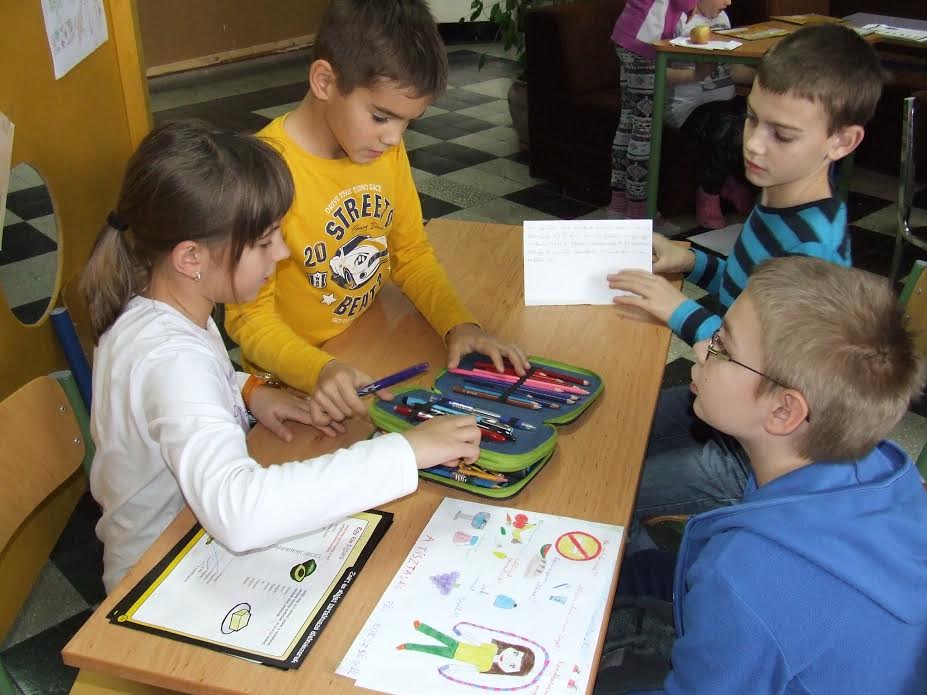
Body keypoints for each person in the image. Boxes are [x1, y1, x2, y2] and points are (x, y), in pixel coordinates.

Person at [80, 120, 481, 594]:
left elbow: (168, 397)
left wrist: (248, 390)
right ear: (191, 258)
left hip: (184, 541)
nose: (284, 252)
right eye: (265, 241)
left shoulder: (153, 302)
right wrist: (407, 452)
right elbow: (240, 514)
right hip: (159, 580)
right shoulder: (172, 359)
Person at [595, 256, 927, 694]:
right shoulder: (880, 466)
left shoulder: (744, 579)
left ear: (784, 410)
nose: (700, 348)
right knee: (634, 573)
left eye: (722, 346)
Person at [606, 24, 884, 545]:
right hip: (728, 404)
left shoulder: (812, 251)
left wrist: (676, 310)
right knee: (617, 431)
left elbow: (761, 367)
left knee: (614, 489)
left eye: (782, 134)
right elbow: (749, 294)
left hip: (756, 452)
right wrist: (693, 262)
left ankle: (649, 586)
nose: (753, 143)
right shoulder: (780, 193)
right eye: (753, 117)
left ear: (842, 141)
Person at [224, 0, 528, 430]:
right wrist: (320, 370)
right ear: (325, 81)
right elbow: (248, 319)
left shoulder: (380, 148)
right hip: (291, 384)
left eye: (407, 123)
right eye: (382, 117)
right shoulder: (262, 176)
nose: (393, 139)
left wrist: (458, 324)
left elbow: (411, 253)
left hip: (365, 342)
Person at [665, 0, 756, 229]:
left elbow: (733, 70)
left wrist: (766, 74)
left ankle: (729, 181)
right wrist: (696, 74)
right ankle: (709, 190)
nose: (728, 2)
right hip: (688, 108)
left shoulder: (721, 19)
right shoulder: (677, 19)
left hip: (725, 101)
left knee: (760, 118)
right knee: (731, 129)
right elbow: (656, 72)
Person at [609, 0, 699, 219]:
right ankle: (638, 211)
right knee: (644, 129)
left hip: (626, 37)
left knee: (628, 122)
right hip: (644, 43)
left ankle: (618, 204)